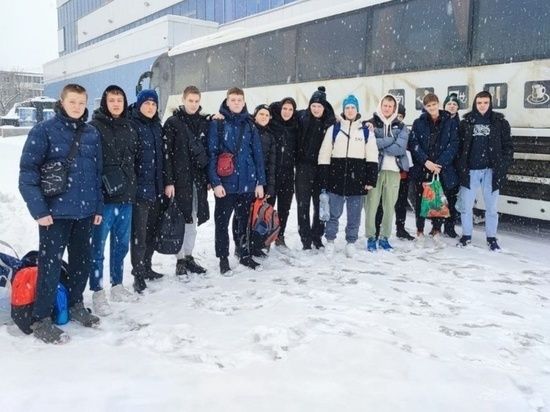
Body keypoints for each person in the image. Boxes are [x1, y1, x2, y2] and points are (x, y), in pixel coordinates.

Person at [19, 83, 103, 343]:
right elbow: (27, 174)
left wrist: (97, 206)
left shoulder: (91, 133)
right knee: (50, 266)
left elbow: (97, 173)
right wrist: (39, 211)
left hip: (85, 213)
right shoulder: (43, 130)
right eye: (72, 102)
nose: (77, 107)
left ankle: (76, 304)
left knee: (81, 262)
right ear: (62, 102)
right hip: (53, 215)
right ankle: (41, 318)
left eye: (81, 102)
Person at [90, 85, 139, 316]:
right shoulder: (94, 128)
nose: (116, 104)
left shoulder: (130, 126)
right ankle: (97, 291)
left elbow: (134, 159)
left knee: (121, 245)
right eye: (112, 100)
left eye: (120, 100)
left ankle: (117, 284)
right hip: (105, 200)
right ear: (105, 102)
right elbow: (92, 165)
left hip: (126, 197)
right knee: (98, 248)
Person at [208, 87, 266, 275]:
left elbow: (257, 154)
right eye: (233, 100)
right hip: (226, 183)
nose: (236, 103)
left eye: (239, 100)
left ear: (244, 102)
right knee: (222, 223)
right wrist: (216, 183)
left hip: (247, 182)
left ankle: (244, 253)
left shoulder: (250, 124)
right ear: (227, 101)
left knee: (244, 222)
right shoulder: (218, 123)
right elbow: (212, 154)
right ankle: (223, 259)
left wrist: (260, 182)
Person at [318, 95, 378, 257]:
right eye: (347, 108)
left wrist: (370, 179)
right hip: (335, 179)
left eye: (352, 107)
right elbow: (324, 155)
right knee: (333, 214)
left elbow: (372, 156)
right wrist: (324, 178)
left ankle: (351, 243)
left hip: (357, 181)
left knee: (354, 216)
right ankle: (330, 241)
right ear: (343, 110)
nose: (350, 110)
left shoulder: (366, 131)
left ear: (357, 110)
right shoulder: (334, 129)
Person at [164, 86, 211, 281]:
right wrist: (169, 181)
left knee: (193, 219)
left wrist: (208, 179)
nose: (193, 104)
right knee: (180, 220)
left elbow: (207, 152)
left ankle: (189, 256)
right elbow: (167, 155)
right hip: (179, 181)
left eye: (196, 101)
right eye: (190, 100)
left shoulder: (204, 122)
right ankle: (180, 259)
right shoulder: (173, 123)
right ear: (183, 100)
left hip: (197, 181)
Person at [456, 91, 514, 250]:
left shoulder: (500, 122)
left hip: (491, 171)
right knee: (466, 207)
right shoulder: (466, 122)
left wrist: (503, 165)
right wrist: (461, 165)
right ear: (475, 104)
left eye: (485, 102)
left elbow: (508, 147)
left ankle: (491, 237)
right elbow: (459, 147)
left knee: (492, 208)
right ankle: (466, 235)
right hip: (470, 171)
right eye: (479, 103)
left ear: (490, 104)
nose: (482, 106)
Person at [409, 93, 459, 247]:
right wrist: (426, 161)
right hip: (423, 167)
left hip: (441, 169)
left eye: (434, 104)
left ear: (438, 104)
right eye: (428, 105)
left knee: (438, 199)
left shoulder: (449, 122)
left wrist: (439, 164)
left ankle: (436, 230)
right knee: (420, 201)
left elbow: (454, 145)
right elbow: (414, 144)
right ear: (425, 107)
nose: (432, 108)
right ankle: (419, 230)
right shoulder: (418, 123)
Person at [128, 89, 165, 293]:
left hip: (157, 189)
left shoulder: (157, 126)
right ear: (139, 105)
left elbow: (163, 159)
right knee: (139, 236)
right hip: (140, 191)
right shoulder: (133, 125)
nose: (150, 107)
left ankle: (148, 266)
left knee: (152, 232)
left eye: (153, 104)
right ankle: (138, 274)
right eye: (146, 104)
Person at [364, 94, 409, 251]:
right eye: (385, 105)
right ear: (380, 106)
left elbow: (400, 148)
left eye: (390, 106)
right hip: (375, 170)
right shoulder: (371, 123)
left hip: (394, 171)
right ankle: (371, 237)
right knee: (371, 205)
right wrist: (391, 139)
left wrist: (381, 144)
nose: (387, 108)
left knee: (389, 206)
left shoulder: (401, 126)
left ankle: (384, 237)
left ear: (394, 108)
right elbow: (370, 144)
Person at [232, 103, 276, 258]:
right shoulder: (248, 129)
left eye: (266, 115)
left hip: (261, 183)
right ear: (255, 115)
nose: (264, 117)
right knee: (241, 215)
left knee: (257, 216)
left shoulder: (270, 136)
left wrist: (269, 186)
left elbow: (271, 164)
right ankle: (240, 245)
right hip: (246, 179)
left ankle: (254, 245)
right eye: (261, 114)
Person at [295, 86, 336, 250]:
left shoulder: (331, 122)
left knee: (320, 203)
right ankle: (305, 239)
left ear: (324, 107)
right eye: (313, 105)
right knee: (302, 204)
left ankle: (317, 236)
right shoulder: (302, 117)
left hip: (322, 168)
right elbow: (280, 109)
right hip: (303, 167)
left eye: (319, 106)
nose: (316, 109)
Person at [374, 103, 415, 241]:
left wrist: (387, 147)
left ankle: (400, 228)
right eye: (396, 115)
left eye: (401, 116)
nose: (398, 118)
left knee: (400, 203)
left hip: (402, 172)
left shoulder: (405, 130)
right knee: (381, 203)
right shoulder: (383, 128)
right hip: (387, 171)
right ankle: (377, 229)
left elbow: (402, 148)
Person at [268, 97, 299, 249]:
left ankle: (280, 236)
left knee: (284, 207)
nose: (287, 112)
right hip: (272, 173)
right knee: (268, 207)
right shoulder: (271, 123)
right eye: (284, 108)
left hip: (288, 173)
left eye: (290, 109)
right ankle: (266, 237)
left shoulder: (296, 126)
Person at [442, 92, 462, 237]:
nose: (452, 106)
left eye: (454, 104)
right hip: (440, 165)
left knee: (452, 198)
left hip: (454, 167)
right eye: (449, 103)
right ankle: (436, 225)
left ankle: (450, 226)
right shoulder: (438, 122)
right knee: (438, 197)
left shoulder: (461, 124)